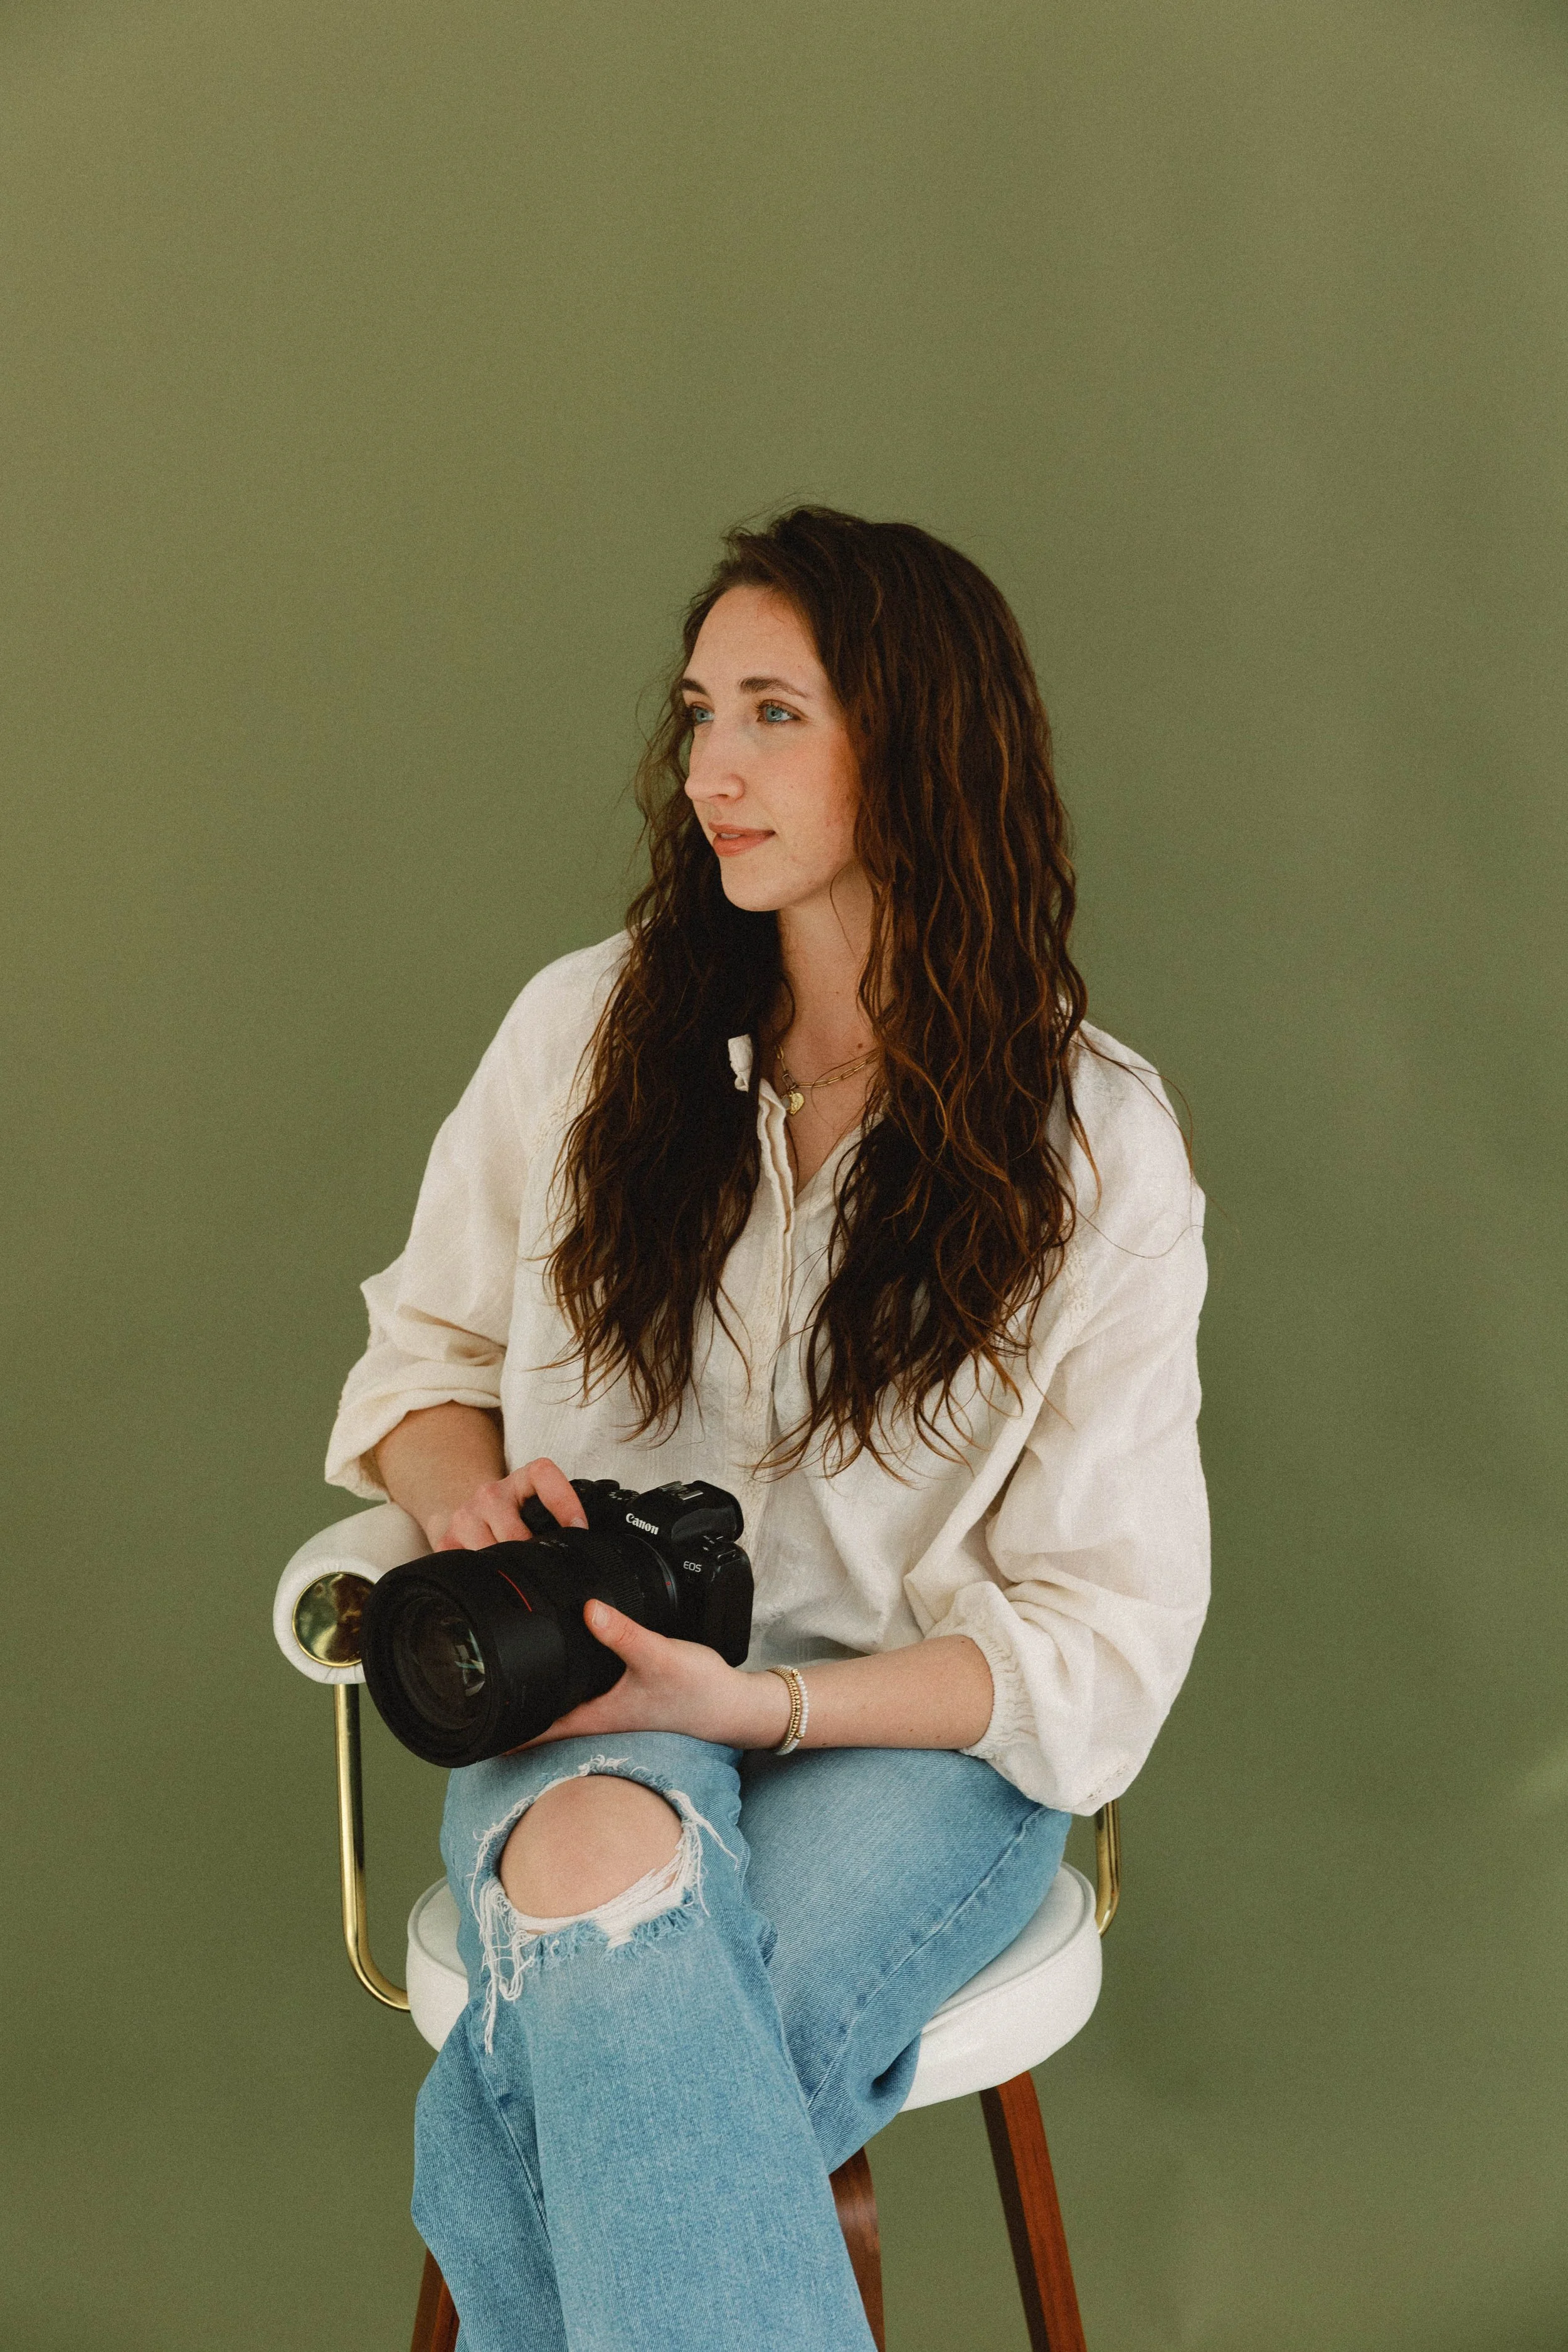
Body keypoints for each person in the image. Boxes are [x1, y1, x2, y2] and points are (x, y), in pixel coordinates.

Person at [324, 506, 1210, 2351]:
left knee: (601, 2045)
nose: (710, 767)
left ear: (918, 744)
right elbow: (416, 1359)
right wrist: (470, 1492)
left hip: (911, 1743)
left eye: (774, 715)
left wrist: (768, 1706)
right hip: (589, 1685)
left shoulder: (1092, 1145)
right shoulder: (582, 1035)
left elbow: (1104, 1638)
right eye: (699, 711)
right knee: (604, 1896)